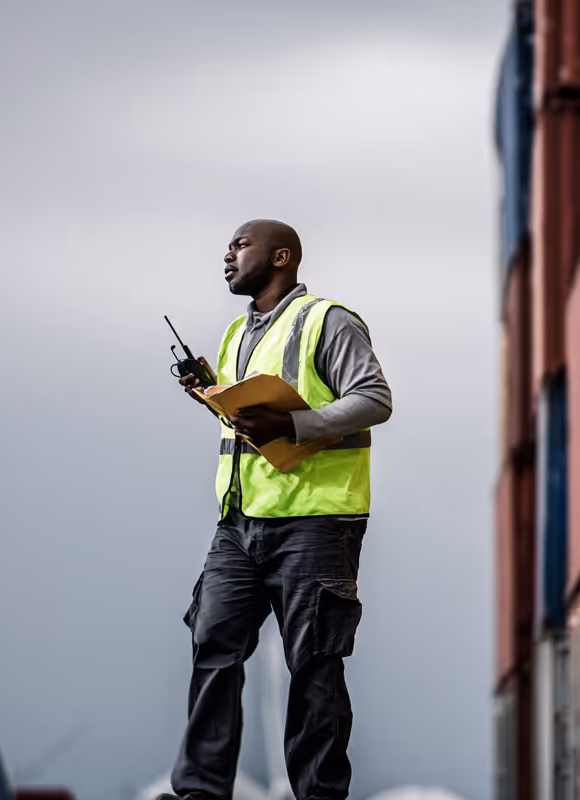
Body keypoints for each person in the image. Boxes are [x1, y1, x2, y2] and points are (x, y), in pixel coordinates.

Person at [160, 219, 392, 800]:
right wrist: (212, 392)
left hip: (315, 523)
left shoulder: (327, 320)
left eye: (240, 245)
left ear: (282, 256)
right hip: (239, 526)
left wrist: (294, 422)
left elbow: (374, 399)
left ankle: (318, 794)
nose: (227, 255)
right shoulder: (237, 332)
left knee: (314, 664)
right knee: (213, 646)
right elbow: (252, 425)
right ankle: (200, 793)